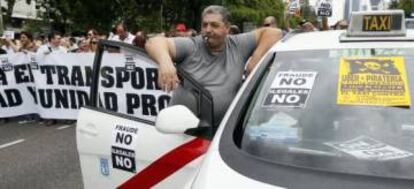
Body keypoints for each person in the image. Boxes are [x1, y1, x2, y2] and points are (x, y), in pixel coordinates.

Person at [145, 5, 282, 126]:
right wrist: (165, 62)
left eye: (214, 25)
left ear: (227, 28)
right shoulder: (191, 46)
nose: (208, 30)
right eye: (205, 25)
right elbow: (153, 42)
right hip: (186, 134)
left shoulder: (238, 45)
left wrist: (255, 61)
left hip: (222, 134)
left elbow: (274, 33)